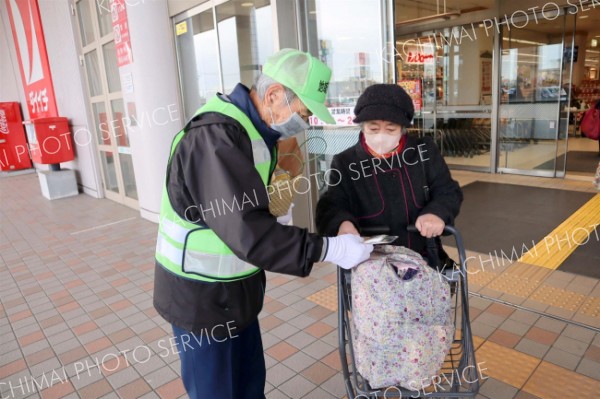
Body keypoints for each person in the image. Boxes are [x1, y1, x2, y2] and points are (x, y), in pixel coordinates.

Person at [153, 48, 373, 399]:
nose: (302, 123)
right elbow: (245, 230)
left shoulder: (254, 131)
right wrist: (328, 248)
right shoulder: (214, 137)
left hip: (235, 294)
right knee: (217, 393)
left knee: (249, 387)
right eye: (301, 113)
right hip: (201, 299)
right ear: (273, 95)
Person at [316, 84, 462, 265]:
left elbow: (447, 190)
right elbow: (332, 205)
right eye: (373, 129)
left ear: (403, 128)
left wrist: (436, 213)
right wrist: (341, 224)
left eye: (391, 129)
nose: (381, 136)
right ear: (362, 127)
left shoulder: (423, 151)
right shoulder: (346, 162)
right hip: (369, 262)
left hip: (422, 256)